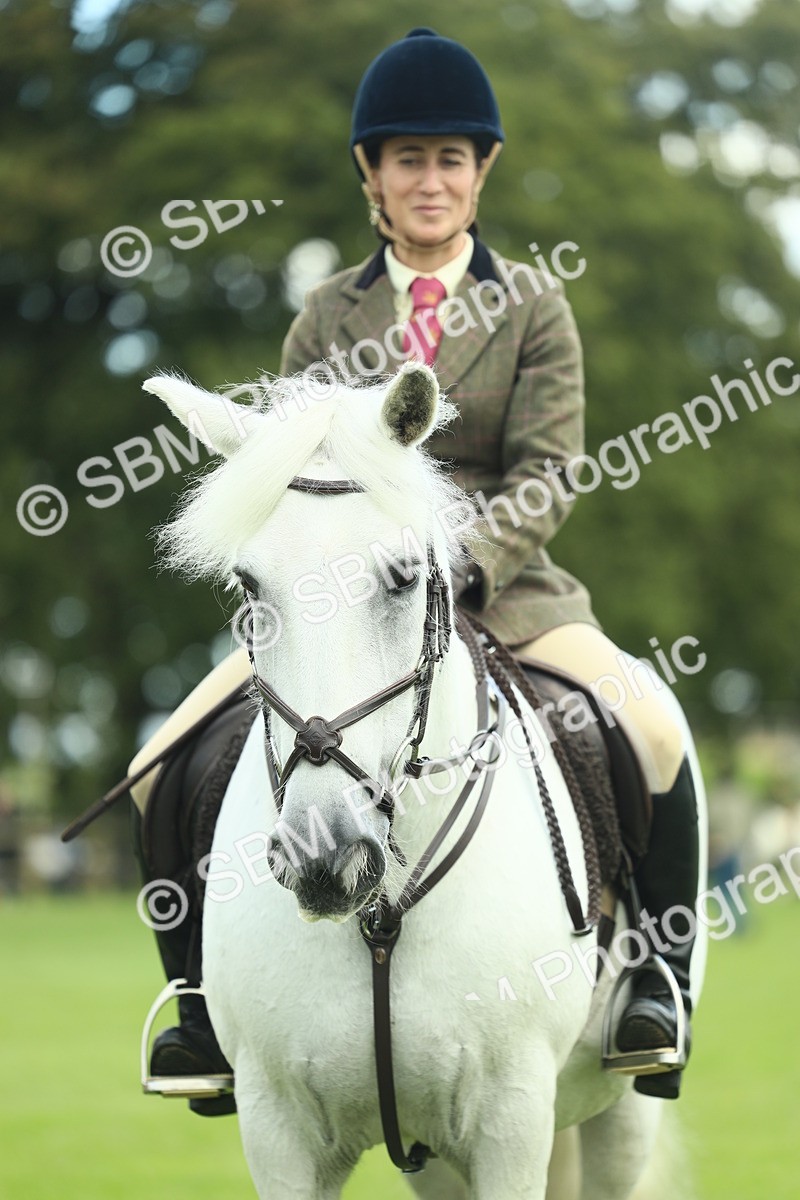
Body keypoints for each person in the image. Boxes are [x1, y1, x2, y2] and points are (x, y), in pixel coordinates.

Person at [131, 27, 700, 1109]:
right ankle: (200, 1010)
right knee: (162, 762)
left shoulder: (533, 305)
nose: (428, 179)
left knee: (653, 729)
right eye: (406, 159)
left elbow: (548, 468)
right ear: (370, 176)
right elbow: (286, 473)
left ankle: (651, 979)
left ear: (480, 171)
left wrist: (459, 565)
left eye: (449, 158)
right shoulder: (324, 315)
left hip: (512, 593)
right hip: (340, 606)